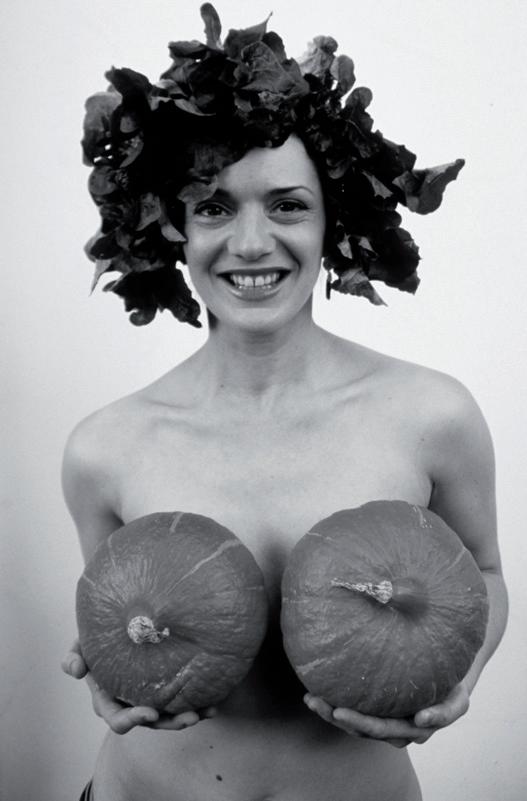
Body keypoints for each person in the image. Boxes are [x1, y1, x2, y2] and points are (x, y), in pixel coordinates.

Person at [62, 6, 508, 800]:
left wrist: (459, 675)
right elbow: (112, 616)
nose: (250, 242)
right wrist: (105, 669)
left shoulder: (431, 414)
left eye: (287, 204)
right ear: (172, 227)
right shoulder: (105, 446)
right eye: (213, 205)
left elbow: (482, 570)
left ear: (334, 220)